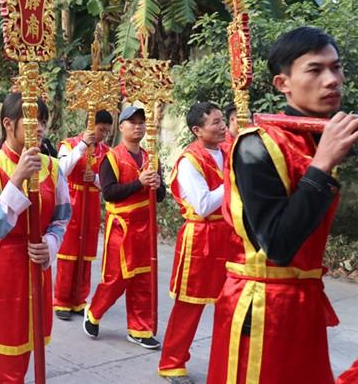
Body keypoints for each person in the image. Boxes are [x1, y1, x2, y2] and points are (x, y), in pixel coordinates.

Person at [208, 27, 358, 384]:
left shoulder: (316, 138)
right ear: (282, 83)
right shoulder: (256, 145)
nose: (332, 79)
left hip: (305, 301)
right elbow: (278, 246)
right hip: (264, 307)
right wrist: (322, 165)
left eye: (336, 68)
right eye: (315, 69)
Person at [0, 92, 71, 383]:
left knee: (26, 352)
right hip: (1, 268)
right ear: (8, 124)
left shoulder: (53, 167)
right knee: (3, 362)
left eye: (43, 121)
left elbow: (62, 217)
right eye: (32, 120)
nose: (40, 128)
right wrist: (17, 178)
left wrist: (50, 244)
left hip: (36, 266)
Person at [158, 103, 235, 383]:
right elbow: (203, 205)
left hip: (229, 235)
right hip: (201, 239)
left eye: (222, 120)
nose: (222, 126)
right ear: (197, 130)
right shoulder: (189, 161)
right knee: (189, 306)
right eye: (215, 122)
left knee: (232, 303)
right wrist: (233, 180)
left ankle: (229, 366)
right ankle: (172, 363)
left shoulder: (228, 151)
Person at [83, 105, 165, 349]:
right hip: (122, 227)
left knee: (144, 279)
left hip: (145, 226)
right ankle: (94, 311)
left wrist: (157, 185)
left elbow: (160, 196)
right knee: (117, 278)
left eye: (141, 122)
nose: (138, 127)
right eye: (132, 122)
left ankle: (140, 329)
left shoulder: (152, 158)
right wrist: (139, 183)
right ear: (122, 127)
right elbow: (109, 193)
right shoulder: (112, 158)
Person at [53, 110, 113, 320]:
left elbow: (110, 184)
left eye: (106, 131)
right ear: (90, 125)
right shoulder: (69, 145)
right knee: (68, 252)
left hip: (91, 204)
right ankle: (61, 300)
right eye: (101, 129)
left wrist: (95, 178)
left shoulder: (107, 152)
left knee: (86, 254)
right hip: (71, 201)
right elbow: (61, 170)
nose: (103, 135)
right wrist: (82, 146)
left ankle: (79, 299)